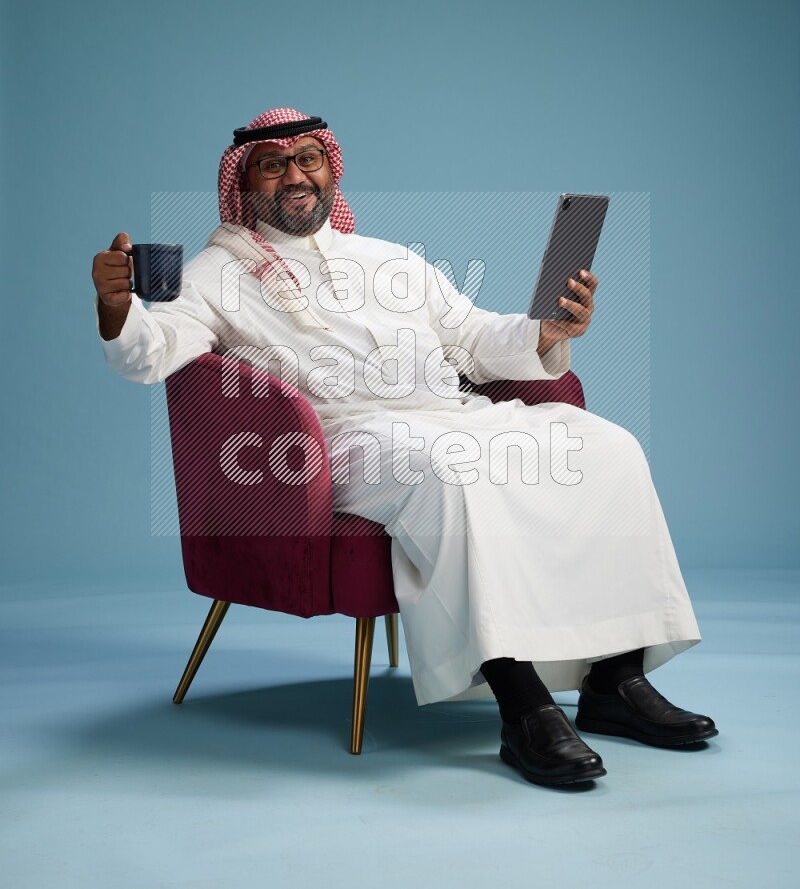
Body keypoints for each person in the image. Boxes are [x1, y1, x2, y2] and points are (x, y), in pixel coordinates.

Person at [92, 107, 718, 788]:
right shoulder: (213, 274)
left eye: (309, 159)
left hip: (451, 412)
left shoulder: (391, 259)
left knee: (607, 448)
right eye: (274, 165)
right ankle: (524, 706)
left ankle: (616, 680)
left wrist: (545, 328)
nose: (295, 176)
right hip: (340, 441)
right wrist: (117, 309)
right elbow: (150, 357)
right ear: (244, 183)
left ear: (331, 170)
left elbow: (476, 338)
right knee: (452, 473)